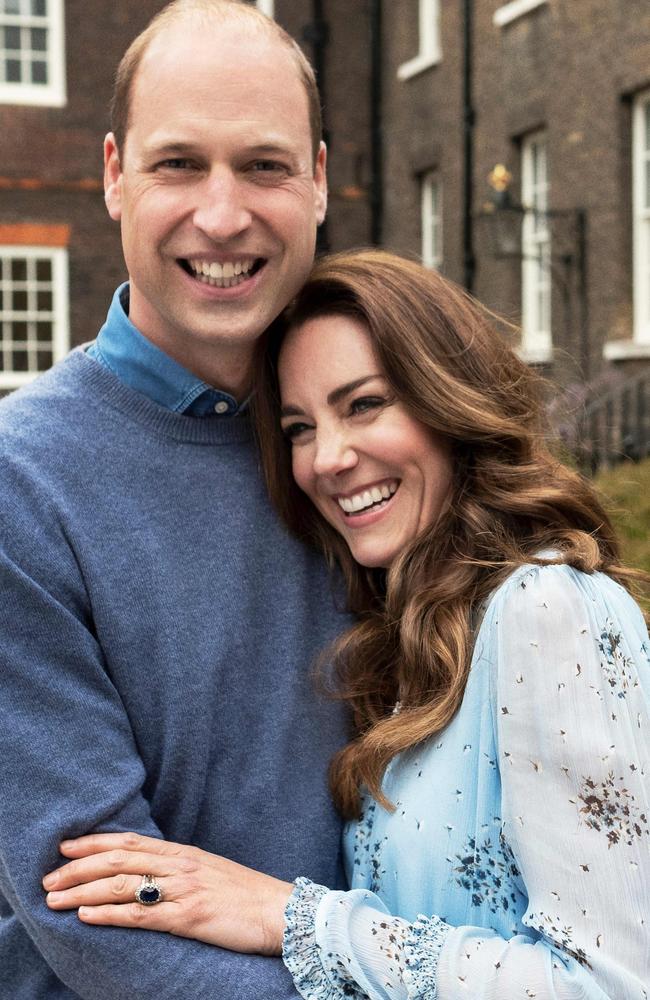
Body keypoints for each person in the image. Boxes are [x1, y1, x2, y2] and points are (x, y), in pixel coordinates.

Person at [43, 251, 650, 998]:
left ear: (448, 402)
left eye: (363, 404)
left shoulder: (548, 611)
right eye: (299, 428)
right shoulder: (416, 634)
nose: (327, 459)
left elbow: (611, 984)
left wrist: (291, 917)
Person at [0, 3, 350, 998]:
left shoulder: (374, 453)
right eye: (178, 164)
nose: (224, 212)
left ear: (319, 177)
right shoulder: (20, 484)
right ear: (113, 173)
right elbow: (103, 921)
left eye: (265, 166)